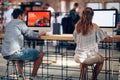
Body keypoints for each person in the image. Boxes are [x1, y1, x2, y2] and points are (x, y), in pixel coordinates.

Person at [1, 8, 46, 80]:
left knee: (21, 54)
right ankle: (33, 76)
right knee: (40, 54)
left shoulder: (8, 24)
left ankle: (20, 76)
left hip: (5, 53)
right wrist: (40, 34)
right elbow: (30, 33)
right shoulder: (20, 22)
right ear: (20, 16)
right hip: (15, 52)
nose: (24, 18)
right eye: (23, 16)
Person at [73, 7, 110, 80]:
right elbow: (103, 37)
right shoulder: (94, 26)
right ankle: (92, 78)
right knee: (101, 59)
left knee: (83, 61)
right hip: (89, 56)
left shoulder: (77, 26)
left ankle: (83, 78)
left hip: (78, 56)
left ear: (82, 15)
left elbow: (75, 39)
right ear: (92, 16)